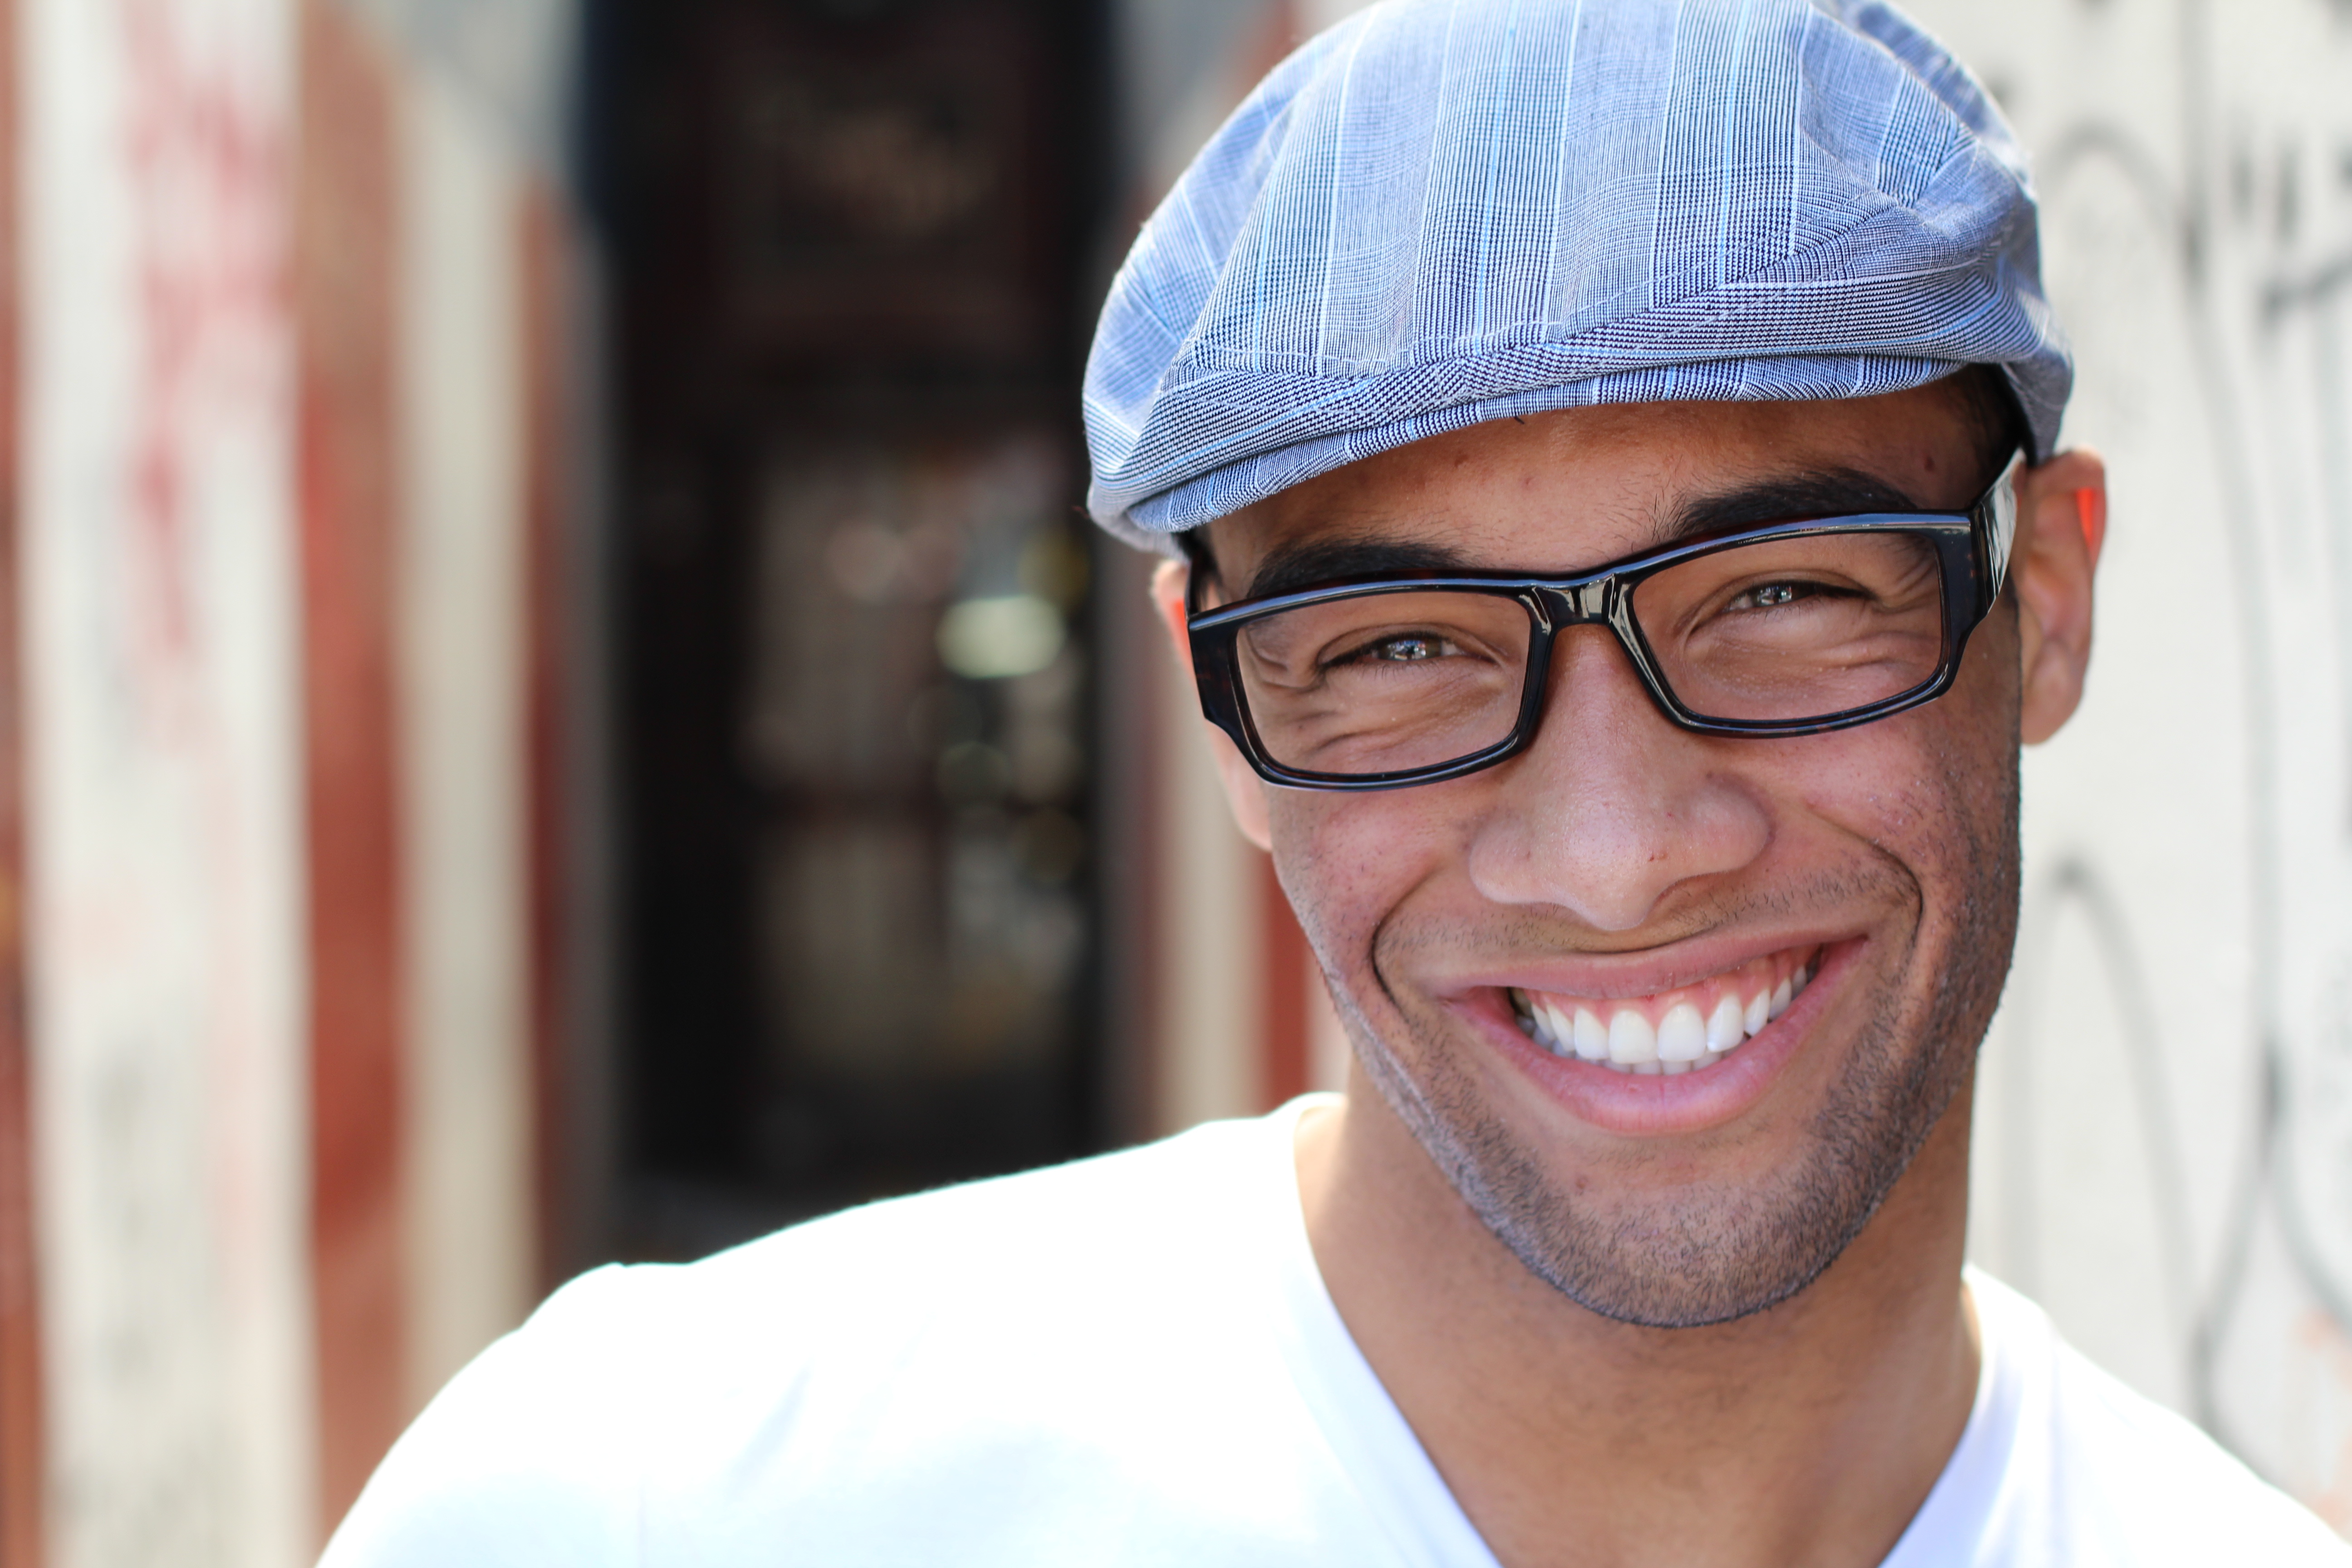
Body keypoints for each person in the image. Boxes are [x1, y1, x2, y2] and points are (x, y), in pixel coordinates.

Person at [321, 1, 2352, 1563]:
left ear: (2049, 598)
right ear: (1218, 716)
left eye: (1785, 595)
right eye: (1401, 648)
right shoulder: (661, 1508)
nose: (1618, 854)